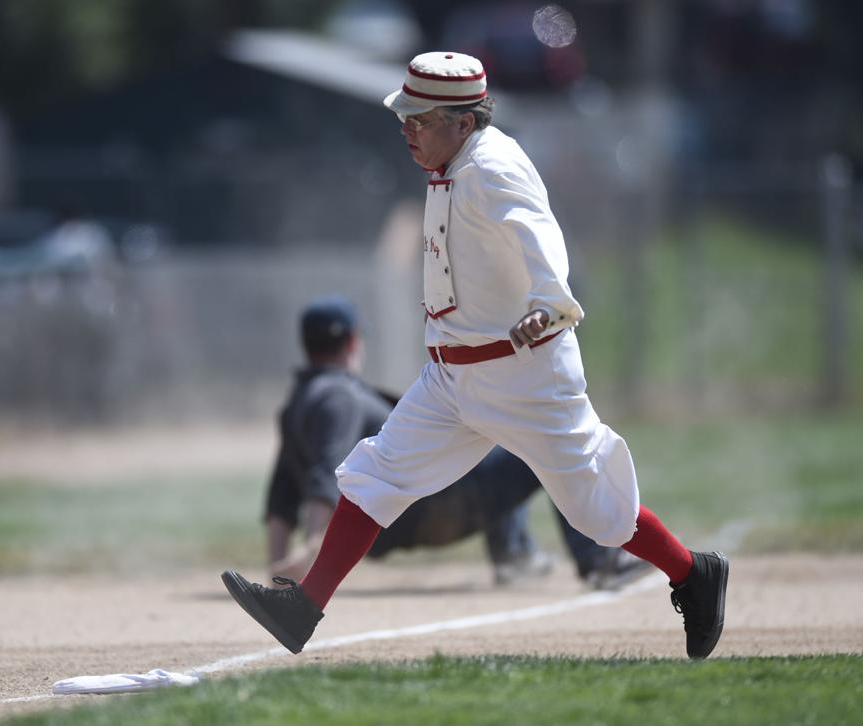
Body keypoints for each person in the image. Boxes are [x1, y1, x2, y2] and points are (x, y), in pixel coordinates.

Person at [223, 52, 728, 660]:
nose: (407, 128)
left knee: (600, 513)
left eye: (420, 118)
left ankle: (693, 573)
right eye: (403, 116)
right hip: (452, 375)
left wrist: (550, 302)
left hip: (524, 374)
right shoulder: (451, 161)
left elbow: (540, 233)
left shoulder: (491, 167)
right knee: (376, 474)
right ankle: (303, 607)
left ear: (463, 122)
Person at [267, 297, 647, 588]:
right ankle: (596, 562)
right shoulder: (339, 398)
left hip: (391, 524)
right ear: (352, 342)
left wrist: (278, 564)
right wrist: (316, 548)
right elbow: (322, 477)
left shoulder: (297, 402)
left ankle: (516, 554)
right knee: (536, 440)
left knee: (495, 434)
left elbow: (282, 492)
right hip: (423, 511)